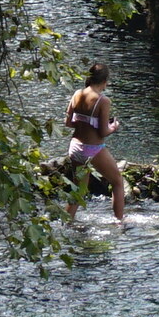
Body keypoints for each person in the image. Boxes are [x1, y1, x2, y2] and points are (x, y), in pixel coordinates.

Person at [61, 63, 127, 221]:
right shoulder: (103, 101)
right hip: (93, 149)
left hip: (75, 147)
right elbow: (103, 132)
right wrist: (114, 127)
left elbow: (68, 123)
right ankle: (119, 223)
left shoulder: (77, 93)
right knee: (117, 182)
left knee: (79, 189)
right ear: (105, 81)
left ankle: (67, 221)